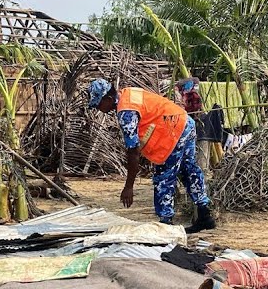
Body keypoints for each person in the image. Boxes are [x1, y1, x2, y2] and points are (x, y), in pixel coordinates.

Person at [87, 79, 217, 233]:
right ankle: (205, 215)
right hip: (184, 122)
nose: (98, 108)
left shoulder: (126, 112)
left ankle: (166, 224)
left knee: (164, 178)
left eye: (98, 104)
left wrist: (129, 187)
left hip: (171, 133)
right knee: (188, 170)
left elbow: (132, 151)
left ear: (107, 99)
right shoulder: (128, 93)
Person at [178, 78, 227, 174]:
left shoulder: (193, 96)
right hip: (197, 128)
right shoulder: (190, 96)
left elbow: (193, 110)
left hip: (200, 129)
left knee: (201, 159)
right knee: (199, 157)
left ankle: (200, 173)